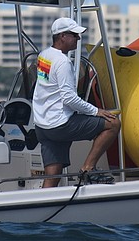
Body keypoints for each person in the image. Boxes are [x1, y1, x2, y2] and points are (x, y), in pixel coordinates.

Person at [32, 17, 120, 187]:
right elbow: (69, 98)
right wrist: (96, 111)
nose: (78, 39)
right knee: (113, 124)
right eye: (74, 35)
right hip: (59, 125)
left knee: (52, 177)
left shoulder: (44, 55)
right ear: (62, 36)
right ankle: (88, 169)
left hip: (42, 126)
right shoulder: (63, 62)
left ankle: (42, 208)